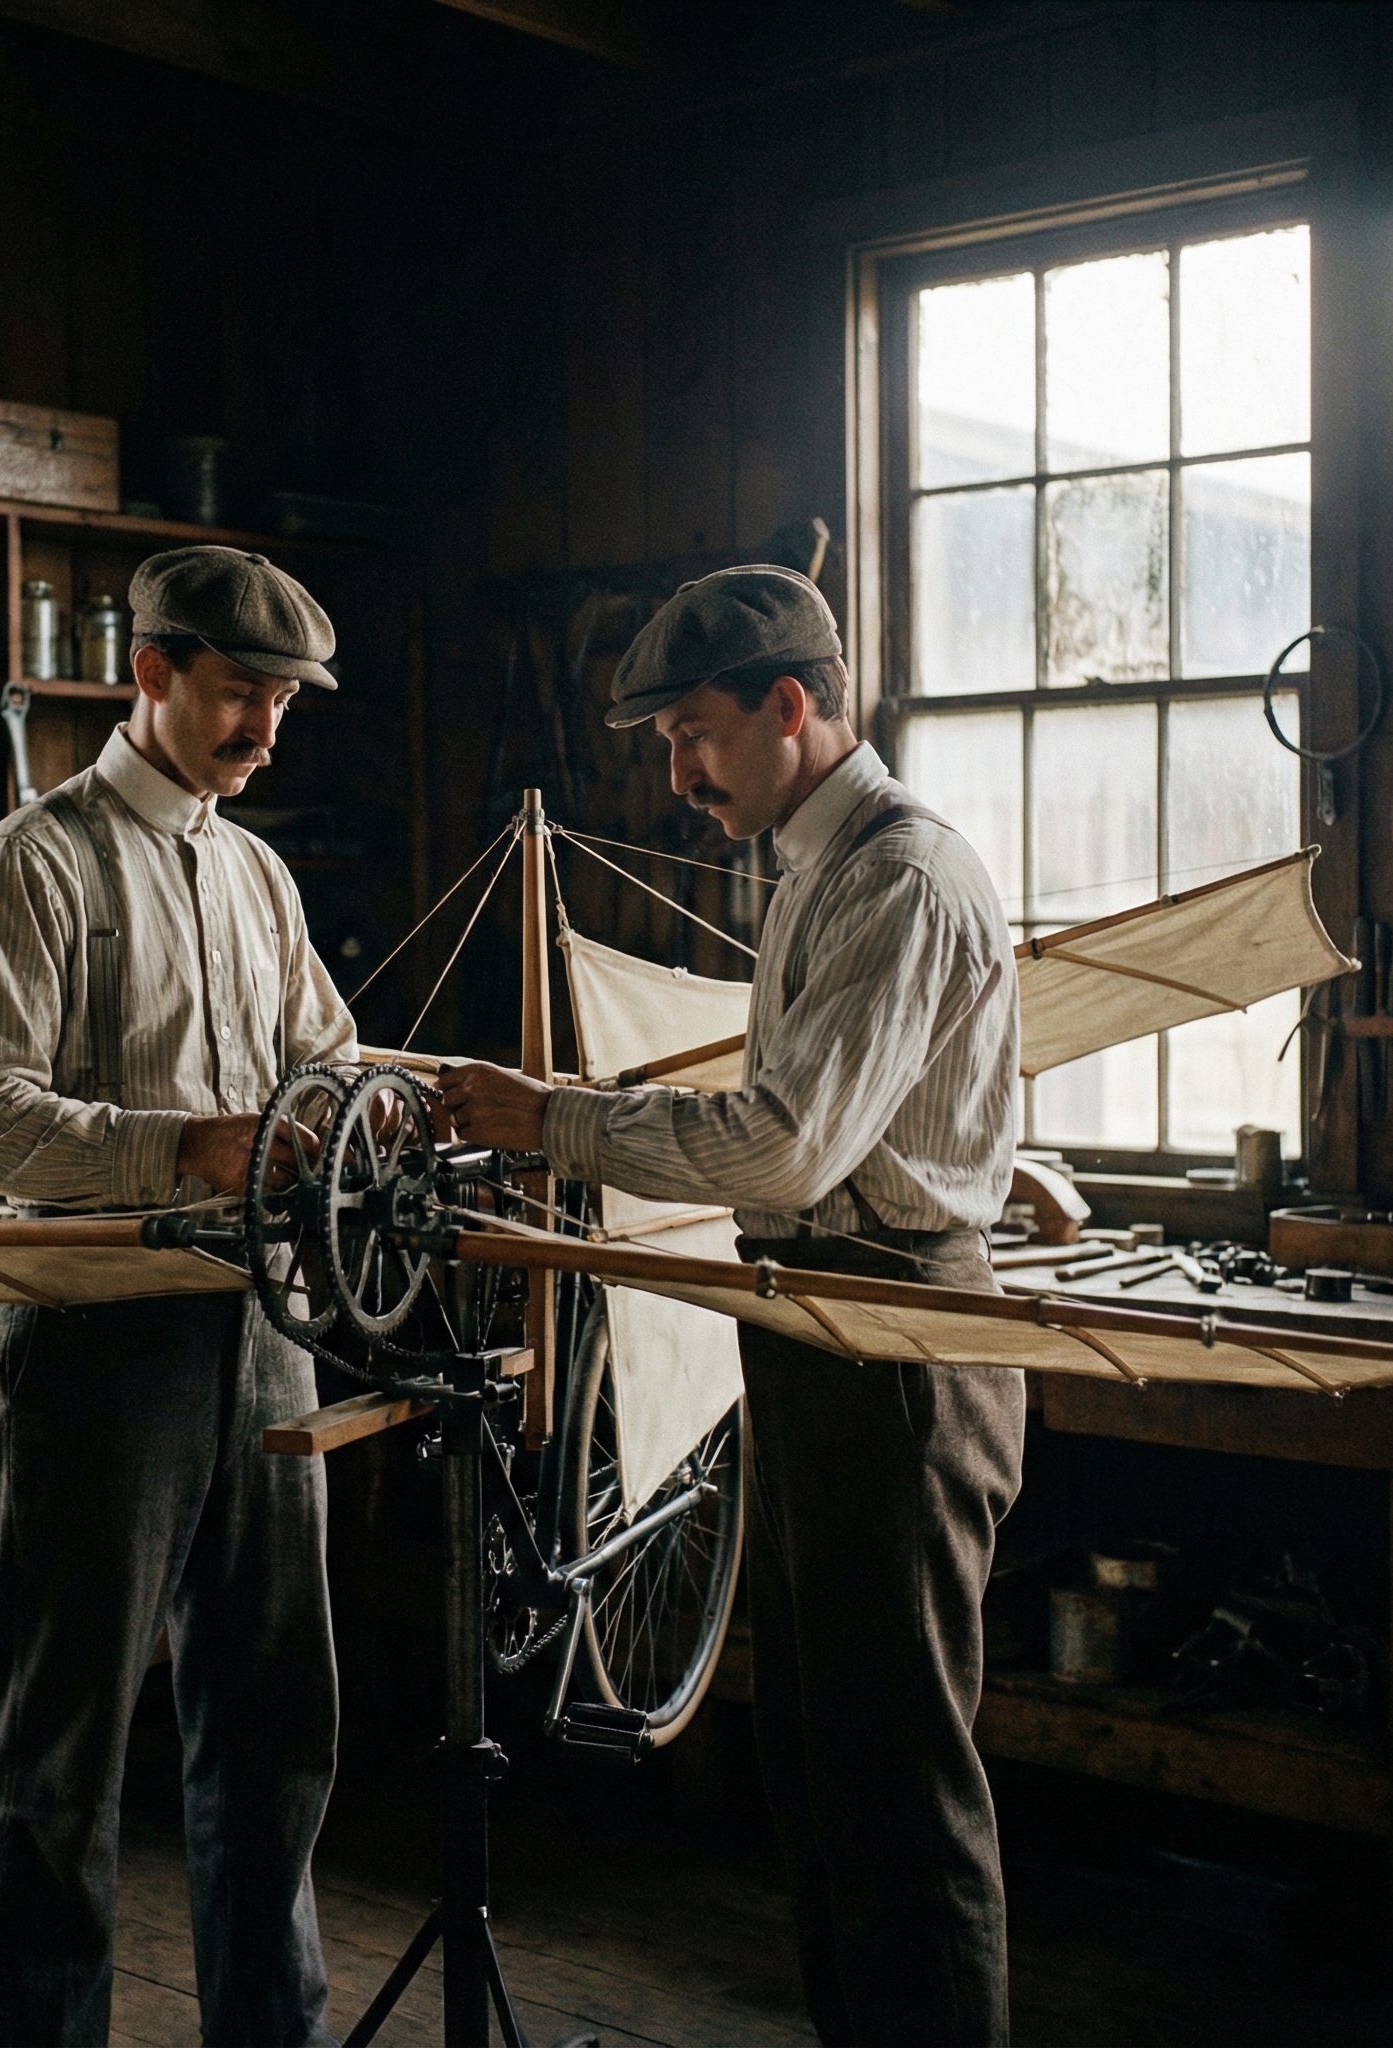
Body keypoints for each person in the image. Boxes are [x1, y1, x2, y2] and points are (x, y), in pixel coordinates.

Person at [438, 565, 1025, 2048]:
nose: (677, 772)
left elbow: (781, 1145)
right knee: (828, 1785)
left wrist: (555, 1120)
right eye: (660, 743)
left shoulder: (894, 874)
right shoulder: (817, 865)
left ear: (790, 706)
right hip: (822, 1329)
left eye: (693, 734)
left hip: (896, 1346)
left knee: (898, 1795)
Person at [0, 545, 356, 2048]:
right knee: (61, 1756)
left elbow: (330, 1058)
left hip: (267, 1331)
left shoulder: (256, 874)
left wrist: (400, 1103)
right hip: (98, 1346)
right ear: (152, 674)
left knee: (272, 1736)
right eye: (243, 695)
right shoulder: (33, 862)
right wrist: (181, 1144)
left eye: (284, 704)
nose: (265, 732)